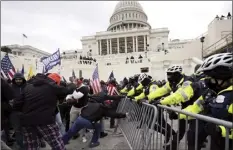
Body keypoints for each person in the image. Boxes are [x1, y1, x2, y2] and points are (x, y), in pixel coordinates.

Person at [178, 53, 233, 150]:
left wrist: (221, 130)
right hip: (217, 143)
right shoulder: (211, 92)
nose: (208, 81)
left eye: (212, 78)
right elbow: (195, 107)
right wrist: (177, 113)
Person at [12, 73, 73, 150]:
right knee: (57, 144)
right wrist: (73, 83)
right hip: (45, 121)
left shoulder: (27, 87)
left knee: (31, 147)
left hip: (27, 122)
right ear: (56, 82)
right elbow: (67, 90)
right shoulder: (51, 86)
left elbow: (16, 105)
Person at [1, 77, 14, 149]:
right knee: (4, 123)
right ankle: (7, 139)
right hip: (3, 106)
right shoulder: (2, 82)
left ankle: (8, 138)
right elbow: (10, 95)